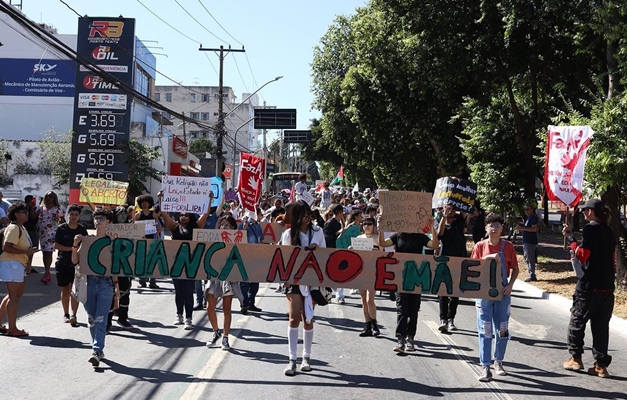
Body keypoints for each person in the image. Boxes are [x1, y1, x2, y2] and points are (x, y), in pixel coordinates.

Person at [562, 199, 615, 378]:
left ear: (592, 212)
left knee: (577, 321)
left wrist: (571, 241)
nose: (584, 213)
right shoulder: (609, 231)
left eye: (586, 210)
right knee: (601, 326)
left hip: (589, 285)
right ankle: (601, 365)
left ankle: (575, 358)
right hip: (607, 286)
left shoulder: (590, 229)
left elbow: (583, 255)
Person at [378, 214, 438, 353]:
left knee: (413, 310)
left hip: (417, 278)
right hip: (400, 278)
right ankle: (400, 340)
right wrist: (380, 227)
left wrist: (433, 227)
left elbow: (434, 245)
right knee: (402, 309)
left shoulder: (420, 236)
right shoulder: (397, 236)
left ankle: (410, 338)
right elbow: (382, 244)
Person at [471, 213, 519, 382]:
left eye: (498, 225)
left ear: (502, 229)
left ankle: (498, 361)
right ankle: (485, 366)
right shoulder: (479, 246)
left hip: (502, 295)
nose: (494, 228)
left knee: (503, 330)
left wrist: (510, 285)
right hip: (484, 294)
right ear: (486, 228)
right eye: (491, 225)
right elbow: (472, 268)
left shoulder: (508, 247)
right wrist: (488, 258)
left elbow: (515, 269)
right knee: (485, 330)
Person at [280, 200, 326, 375]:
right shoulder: (288, 234)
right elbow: (284, 257)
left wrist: (317, 249)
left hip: (312, 280)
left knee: (308, 319)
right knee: (294, 318)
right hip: (294, 280)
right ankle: (292, 359)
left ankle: (306, 356)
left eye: (308, 213)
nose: (307, 217)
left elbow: (326, 255)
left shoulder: (318, 231)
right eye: (303, 214)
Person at [72, 209, 121, 367]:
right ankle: (97, 347)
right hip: (89, 283)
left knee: (101, 318)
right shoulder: (87, 240)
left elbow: (113, 266)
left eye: (102, 218)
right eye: (96, 218)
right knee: (91, 318)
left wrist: (116, 285)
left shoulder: (112, 242)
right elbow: (75, 261)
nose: (98, 221)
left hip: (106, 284)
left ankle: (97, 349)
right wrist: (75, 245)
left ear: (108, 222)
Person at [158, 190, 213, 331]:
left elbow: (205, 214)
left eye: (186, 215)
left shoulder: (196, 227)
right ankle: (179, 315)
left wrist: (209, 199)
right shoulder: (174, 226)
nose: (183, 217)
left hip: (191, 265)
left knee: (188, 291)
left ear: (190, 217)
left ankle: (189, 318)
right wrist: (161, 199)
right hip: (176, 265)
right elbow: (163, 214)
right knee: (178, 292)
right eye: (181, 215)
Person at [0, 202, 40, 336]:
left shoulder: (21, 228)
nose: (27, 214)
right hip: (12, 263)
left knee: (15, 295)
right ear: (17, 215)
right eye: (24, 212)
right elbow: (7, 247)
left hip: (17, 264)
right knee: (13, 296)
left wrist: (27, 260)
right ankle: (12, 328)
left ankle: (3, 323)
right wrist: (27, 252)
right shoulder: (14, 228)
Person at [205, 214, 244, 350]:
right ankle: (216, 332)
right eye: (222, 224)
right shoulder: (214, 238)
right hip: (214, 276)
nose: (224, 227)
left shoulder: (238, 240)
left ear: (233, 227)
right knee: (210, 307)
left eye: (227, 225)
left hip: (229, 277)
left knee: (226, 308)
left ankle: (226, 338)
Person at [54, 204, 88, 327]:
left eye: (76, 215)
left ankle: (74, 315)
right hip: (63, 262)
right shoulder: (61, 228)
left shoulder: (82, 230)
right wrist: (71, 248)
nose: (73, 217)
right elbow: (56, 245)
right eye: (71, 214)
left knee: (75, 290)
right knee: (65, 289)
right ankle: (66, 313)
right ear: (68, 215)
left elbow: (86, 245)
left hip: (77, 264)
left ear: (79, 216)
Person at [437, 205, 468, 333]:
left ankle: (451, 319)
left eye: (453, 209)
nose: (451, 210)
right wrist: (444, 215)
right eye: (449, 208)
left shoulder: (459, 222)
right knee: (443, 292)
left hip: (459, 261)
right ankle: (443, 319)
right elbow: (439, 233)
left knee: (455, 293)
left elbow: (465, 210)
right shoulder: (443, 223)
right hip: (444, 262)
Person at [352, 215, 381, 337]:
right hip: (361, 270)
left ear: (374, 226)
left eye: (369, 224)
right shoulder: (359, 238)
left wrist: (377, 251)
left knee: (370, 299)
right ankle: (367, 325)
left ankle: (374, 324)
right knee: (363, 300)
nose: (366, 226)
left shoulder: (378, 238)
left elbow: (384, 254)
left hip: (372, 270)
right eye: (364, 224)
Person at [36, 191, 65, 284]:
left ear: (54, 198)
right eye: (47, 196)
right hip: (43, 233)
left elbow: (62, 220)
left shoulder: (58, 208)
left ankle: (47, 272)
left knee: (49, 252)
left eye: (51, 197)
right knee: (45, 252)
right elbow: (33, 216)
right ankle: (46, 270)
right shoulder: (41, 208)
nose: (49, 198)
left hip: (53, 233)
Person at [239, 211, 264, 315]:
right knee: (244, 282)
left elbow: (261, 239)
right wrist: (244, 229)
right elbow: (239, 237)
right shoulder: (243, 224)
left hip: (256, 256)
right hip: (245, 256)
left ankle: (251, 302)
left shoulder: (258, 226)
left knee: (255, 281)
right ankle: (244, 303)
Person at [134, 194, 160, 289]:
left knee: (152, 261)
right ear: (140, 203)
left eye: (146, 202)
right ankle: (142, 281)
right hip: (141, 241)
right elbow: (135, 228)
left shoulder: (153, 214)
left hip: (152, 240)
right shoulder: (137, 215)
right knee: (141, 261)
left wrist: (157, 233)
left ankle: (152, 281)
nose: (144, 204)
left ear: (150, 203)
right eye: (142, 202)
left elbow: (158, 227)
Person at [323, 204, 346, 303]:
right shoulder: (330, 223)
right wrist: (338, 232)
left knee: (339, 273)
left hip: (337, 250)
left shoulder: (338, 222)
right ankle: (328, 294)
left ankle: (339, 295)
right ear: (339, 212)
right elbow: (326, 237)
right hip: (330, 251)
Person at [518, 203, 539, 282]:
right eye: (525, 209)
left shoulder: (533, 218)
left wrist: (522, 228)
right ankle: (530, 273)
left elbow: (534, 229)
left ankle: (532, 275)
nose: (526, 211)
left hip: (531, 241)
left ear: (532, 210)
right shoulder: (529, 218)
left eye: (528, 209)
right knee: (527, 258)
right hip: (526, 241)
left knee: (530, 258)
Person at [23, 195, 39, 274]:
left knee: (32, 249)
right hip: (26, 230)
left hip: (34, 231)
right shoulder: (23, 209)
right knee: (25, 249)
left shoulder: (35, 209)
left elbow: (34, 216)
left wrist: (32, 207)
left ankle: (29, 265)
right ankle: (25, 265)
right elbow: (31, 217)